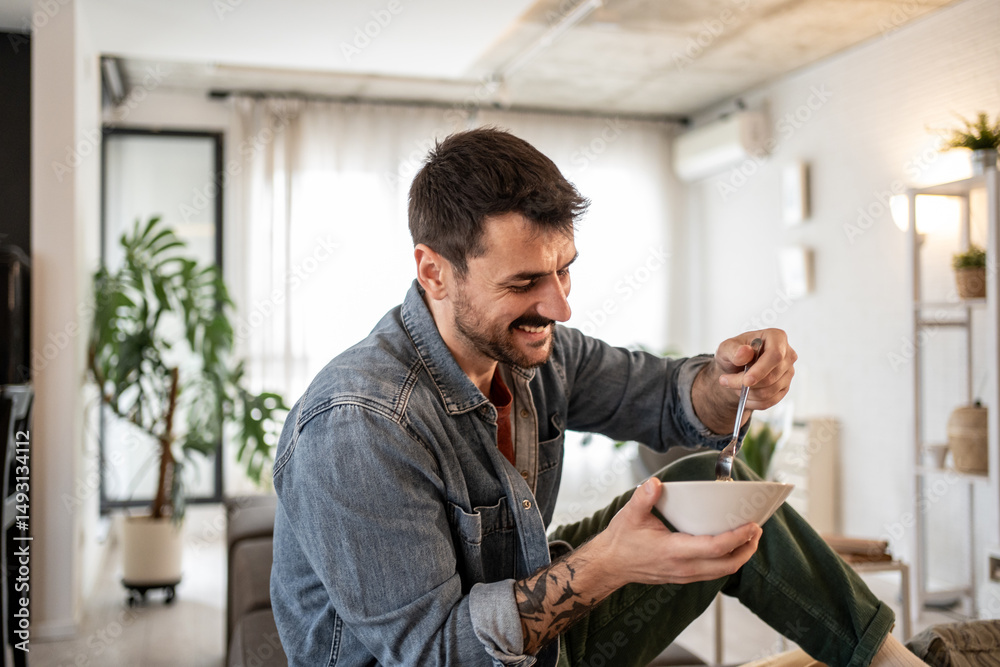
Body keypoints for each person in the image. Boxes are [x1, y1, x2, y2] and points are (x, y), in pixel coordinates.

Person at [270, 127, 919, 666]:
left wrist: (728, 383)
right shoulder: (358, 424)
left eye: (564, 269)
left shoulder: (535, 351)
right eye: (524, 282)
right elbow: (436, 653)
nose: (559, 305)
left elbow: (665, 397)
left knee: (715, 490)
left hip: (540, 642)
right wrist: (608, 563)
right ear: (434, 271)